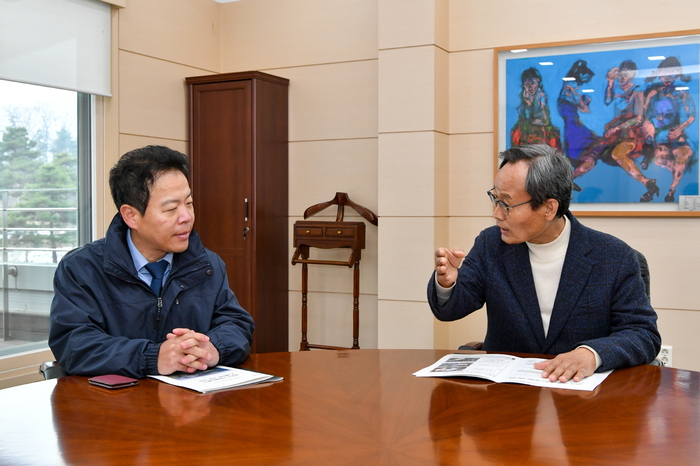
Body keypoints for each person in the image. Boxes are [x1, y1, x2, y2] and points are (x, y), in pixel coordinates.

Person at [428, 144, 660, 383]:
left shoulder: (614, 256)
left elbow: (642, 334)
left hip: (583, 400)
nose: (497, 214)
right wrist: (448, 284)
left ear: (549, 208)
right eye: (495, 198)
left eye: (506, 204)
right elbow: (451, 310)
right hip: (508, 397)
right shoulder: (492, 244)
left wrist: (592, 354)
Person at [49, 145, 255, 378]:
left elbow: (237, 324)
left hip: (191, 406)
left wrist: (212, 348)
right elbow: (74, 344)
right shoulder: (81, 268)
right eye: (171, 208)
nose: (187, 217)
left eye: (188, 203)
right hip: (114, 406)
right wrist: (152, 356)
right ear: (131, 216)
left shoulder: (207, 264)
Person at [510, 67, 563, 152]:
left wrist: (529, 121)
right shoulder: (524, 98)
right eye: (527, 84)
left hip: (540, 131)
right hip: (526, 131)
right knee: (516, 133)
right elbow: (521, 118)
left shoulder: (541, 97)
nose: (530, 87)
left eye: (532, 83)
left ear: (538, 83)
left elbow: (545, 121)